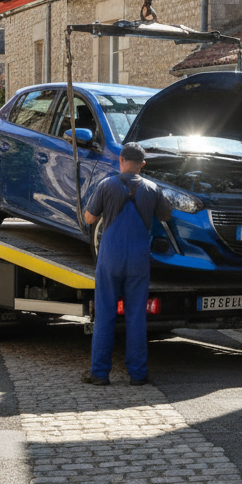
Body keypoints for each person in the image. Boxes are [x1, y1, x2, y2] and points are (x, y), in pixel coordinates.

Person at [80, 142, 172, 386]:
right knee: (135, 317)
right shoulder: (153, 188)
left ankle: (99, 374)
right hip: (138, 259)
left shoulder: (106, 185)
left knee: (105, 316)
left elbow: (89, 218)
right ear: (143, 164)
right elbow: (165, 215)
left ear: (120, 160)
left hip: (111, 257)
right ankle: (138, 375)